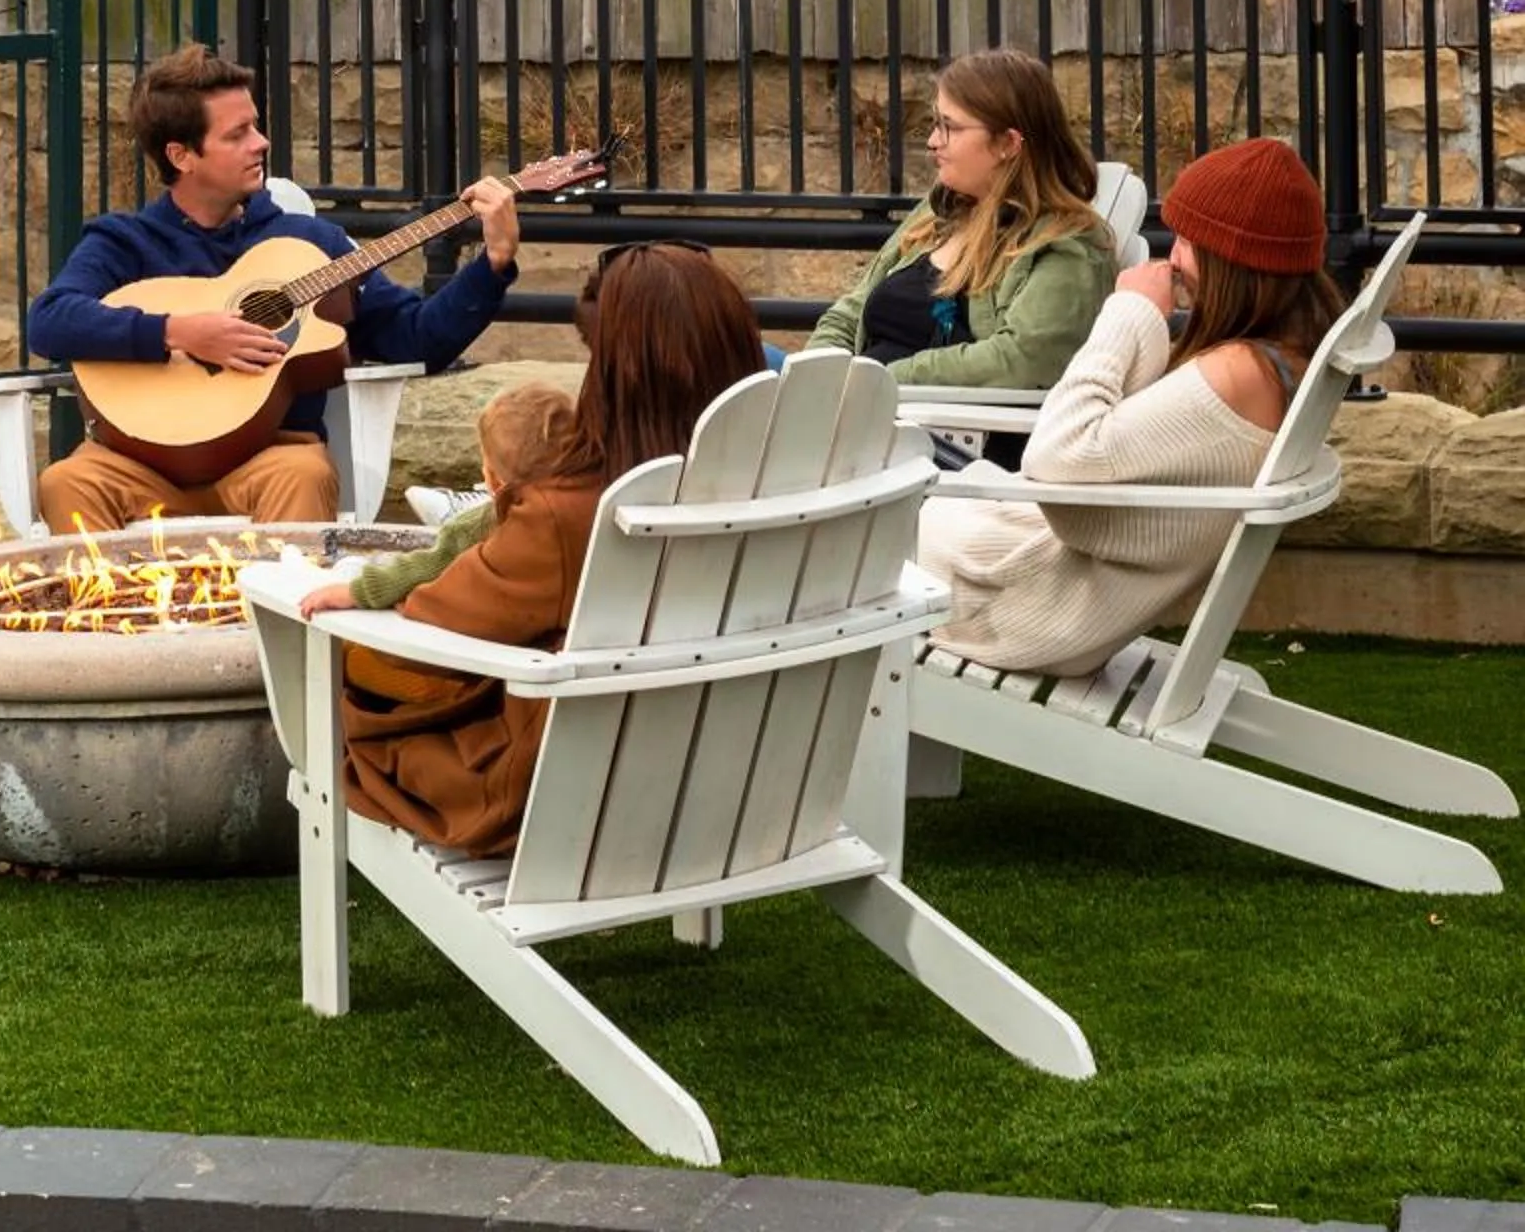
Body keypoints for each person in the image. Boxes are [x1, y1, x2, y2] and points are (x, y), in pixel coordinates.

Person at [296, 244, 769, 854]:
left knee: (355, 664)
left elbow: (440, 617)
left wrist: (369, 596)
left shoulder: (566, 512)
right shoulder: (767, 485)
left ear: (615, 371)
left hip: (557, 793)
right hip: (730, 776)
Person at [25, 44, 592, 535]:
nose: (262, 142)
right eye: (238, 133)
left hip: (269, 460)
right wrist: (181, 332)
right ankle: (123, 652)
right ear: (181, 155)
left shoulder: (311, 243)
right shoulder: (124, 242)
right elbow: (50, 320)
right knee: (67, 481)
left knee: (307, 473)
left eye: (256, 124)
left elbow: (414, 338)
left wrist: (492, 263)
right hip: (137, 465)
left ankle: (276, 653)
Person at [917, 137, 1346, 678]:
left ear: (1230, 261)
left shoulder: (1237, 375)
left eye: (1188, 242)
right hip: (1045, 589)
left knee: (838, 511)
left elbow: (1053, 459)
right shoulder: (1273, 362)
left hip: (1019, 609)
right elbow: (1123, 442)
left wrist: (1128, 311)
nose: (1176, 259)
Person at [809, 49, 1116, 393]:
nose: (932, 141)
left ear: (1008, 143)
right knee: (748, 365)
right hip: (856, 408)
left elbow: (1025, 359)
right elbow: (849, 312)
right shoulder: (938, 213)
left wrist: (880, 381)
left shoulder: (1065, 244)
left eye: (949, 127)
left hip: (933, 432)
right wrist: (820, 374)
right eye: (935, 124)